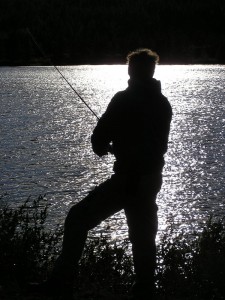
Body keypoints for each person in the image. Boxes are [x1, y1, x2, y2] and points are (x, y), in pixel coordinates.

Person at [29, 48, 172, 299]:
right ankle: (145, 290)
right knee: (143, 235)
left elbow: (98, 140)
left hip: (128, 179)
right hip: (151, 180)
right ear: (152, 72)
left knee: (77, 218)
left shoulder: (123, 99)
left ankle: (61, 285)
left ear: (132, 71)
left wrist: (109, 147)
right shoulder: (163, 103)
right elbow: (155, 145)